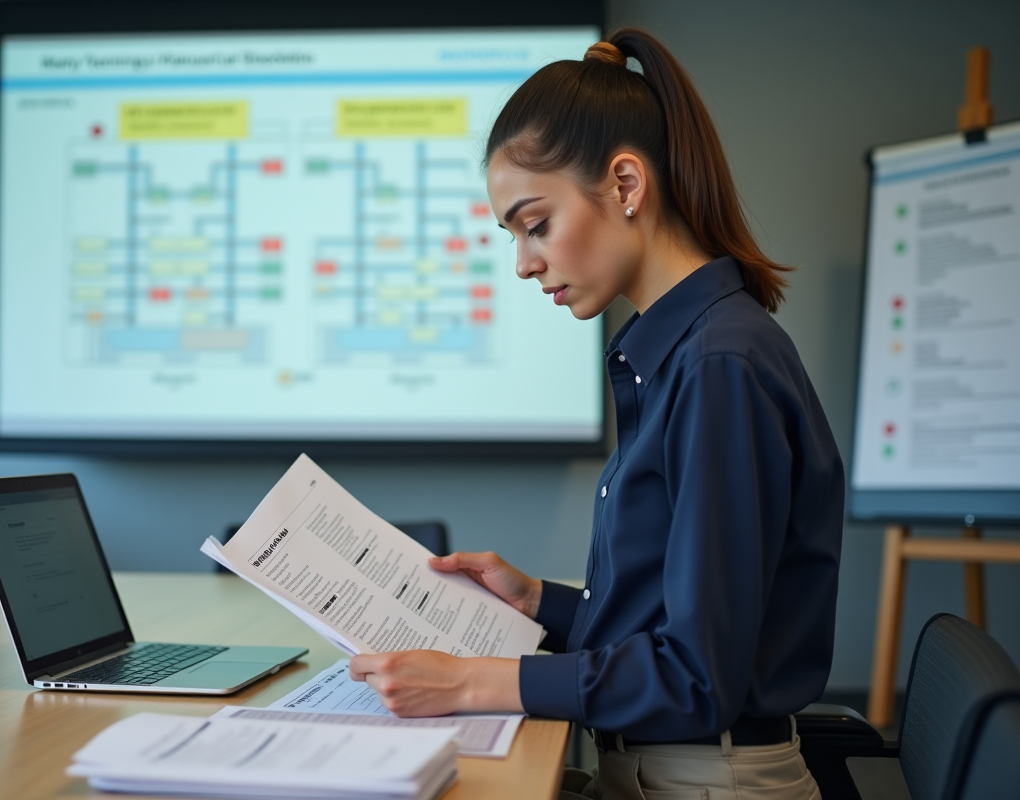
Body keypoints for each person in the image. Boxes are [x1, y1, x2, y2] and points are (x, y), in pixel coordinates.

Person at [349, 27, 844, 800]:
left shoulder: (719, 367)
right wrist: (540, 602)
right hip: (668, 770)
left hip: (708, 781)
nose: (523, 262)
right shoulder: (685, 352)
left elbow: (695, 678)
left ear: (624, 184)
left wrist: (477, 682)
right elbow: (678, 627)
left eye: (536, 224)